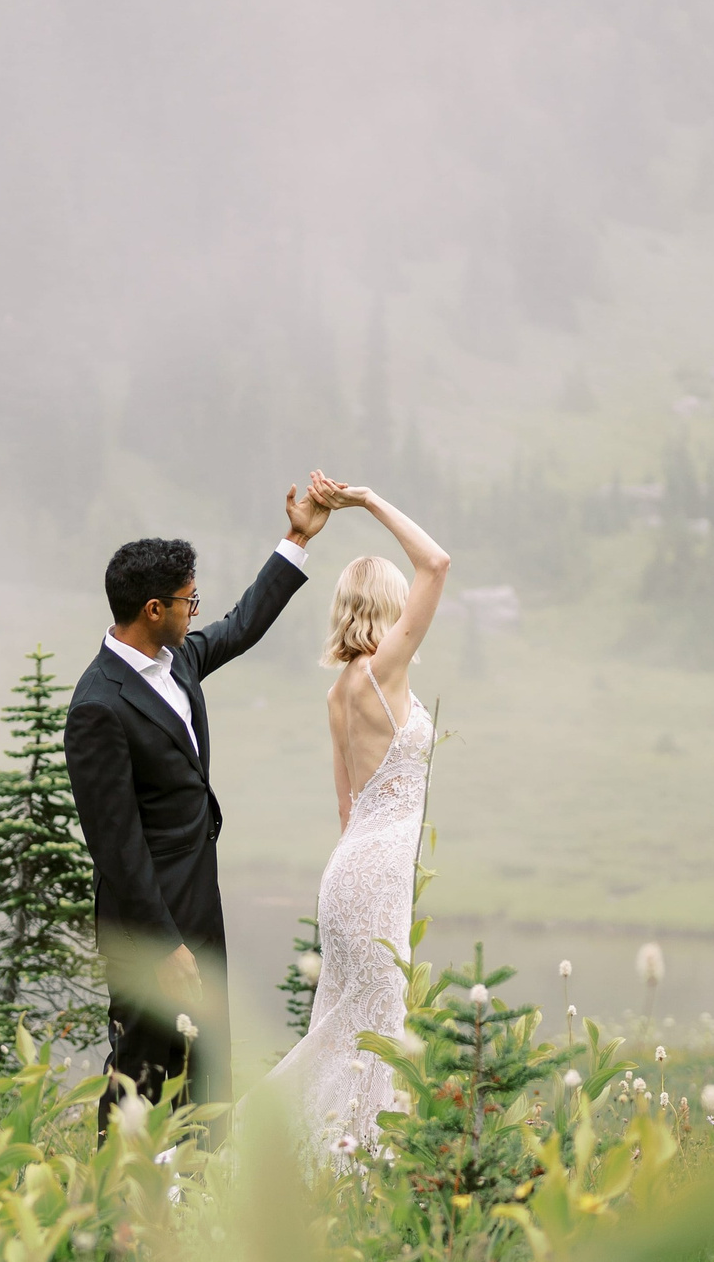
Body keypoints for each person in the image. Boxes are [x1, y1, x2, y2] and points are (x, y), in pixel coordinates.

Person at [66, 480, 333, 1132]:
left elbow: (240, 626)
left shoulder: (177, 658)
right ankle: (114, 1188)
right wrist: (165, 946)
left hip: (198, 900)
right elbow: (116, 846)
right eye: (189, 601)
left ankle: (198, 1183)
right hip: (148, 922)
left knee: (207, 1065)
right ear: (153, 608)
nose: (196, 611)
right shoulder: (97, 705)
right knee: (142, 1069)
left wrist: (297, 538)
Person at [257, 478, 449, 1160]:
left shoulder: (339, 692)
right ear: (390, 610)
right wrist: (367, 501)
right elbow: (437, 564)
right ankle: (334, 1161)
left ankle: (332, 1161)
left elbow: (347, 809)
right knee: (375, 1032)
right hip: (377, 876)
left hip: (348, 873)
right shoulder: (382, 670)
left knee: (344, 1034)